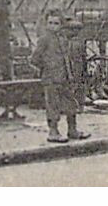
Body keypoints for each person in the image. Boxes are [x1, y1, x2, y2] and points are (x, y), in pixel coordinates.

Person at [31, 12, 90, 143]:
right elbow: (35, 59)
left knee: (70, 103)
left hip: (65, 77)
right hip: (51, 79)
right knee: (53, 106)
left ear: (61, 25)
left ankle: (72, 130)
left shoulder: (63, 39)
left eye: (56, 23)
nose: (53, 26)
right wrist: (47, 67)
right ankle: (53, 132)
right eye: (50, 23)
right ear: (46, 24)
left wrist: (70, 74)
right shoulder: (44, 39)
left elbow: (67, 57)